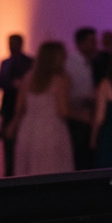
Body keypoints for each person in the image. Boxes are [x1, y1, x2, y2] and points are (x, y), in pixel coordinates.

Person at [8, 41, 75, 177]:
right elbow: (63, 111)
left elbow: (19, 107)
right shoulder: (60, 80)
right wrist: (83, 115)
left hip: (28, 129)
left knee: (29, 173)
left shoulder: (28, 77)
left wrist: (12, 126)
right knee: (53, 171)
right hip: (52, 130)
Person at [0, 34, 33, 176]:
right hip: (8, 106)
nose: (11, 46)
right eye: (10, 43)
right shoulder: (5, 63)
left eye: (14, 43)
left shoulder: (29, 62)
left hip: (24, 107)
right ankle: (10, 173)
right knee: (8, 143)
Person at [66, 27, 98, 169]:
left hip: (88, 115)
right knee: (79, 156)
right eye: (91, 41)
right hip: (76, 117)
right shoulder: (71, 64)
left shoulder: (92, 62)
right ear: (80, 43)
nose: (95, 45)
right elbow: (68, 93)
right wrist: (88, 98)